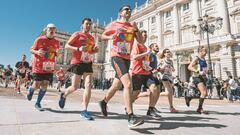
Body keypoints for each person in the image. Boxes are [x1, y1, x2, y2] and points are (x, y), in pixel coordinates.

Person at [98, 5, 144, 128]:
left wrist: (136, 30)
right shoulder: (114, 24)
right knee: (127, 84)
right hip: (116, 57)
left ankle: (103, 102)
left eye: (130, 9)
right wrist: (110, 36)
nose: (129, 10)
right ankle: (131, 116)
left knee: (116, 85)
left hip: (126, 58)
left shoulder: (132, 26)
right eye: (126, 9)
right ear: (120, 13)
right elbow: (102, 36)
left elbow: (141, 41)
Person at [58, 18, 99, 120]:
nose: (88, 26)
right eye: (87, 24)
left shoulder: (92, 38)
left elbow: (89, 52)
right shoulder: (77, 34)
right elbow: (67, 45)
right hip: (77, 62)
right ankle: (64, 95)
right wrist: (78, 48)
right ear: (82, 25)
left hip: (88, 62)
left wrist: (95, 51)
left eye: (90, 24)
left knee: (88, 85)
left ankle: (84, 110)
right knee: (74, 87)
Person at [27, 23, 60, 111]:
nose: (52, 30)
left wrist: (57, 56)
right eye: (50, 29)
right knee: (37, 84)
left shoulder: (57, 42)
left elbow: (56, 53)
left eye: (53, 29)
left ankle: (38, 103)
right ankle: (31, 89)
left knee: (45, 84)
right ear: (46, 30)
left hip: (49, 66)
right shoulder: (39, 39)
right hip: (38, 66)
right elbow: (31, 49)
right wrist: (37, 52)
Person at [131, 31, 161, 119]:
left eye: (146, 36)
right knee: (136, 93)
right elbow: (135, 57)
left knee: (154, 89)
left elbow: (146, 62)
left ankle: (150, 110)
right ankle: (129, 105)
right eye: (144, 36)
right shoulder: (136, 45)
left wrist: (152, 69)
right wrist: (146, 53)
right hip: (137, 72)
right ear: (139, 37)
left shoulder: (145, 47)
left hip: (147, 73)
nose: (145, 37)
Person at [186, 46, 208, 114]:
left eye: (206, 51)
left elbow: (203, 68)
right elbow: (189, 67)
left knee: (205, 93)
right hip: (197, 77)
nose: (206, 53)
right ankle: (199, 108)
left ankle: (189, 98)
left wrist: (206, 71)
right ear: (200, 51)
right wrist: (198, 71)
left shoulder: (204, 59)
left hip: (203, 77)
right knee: (203, 93)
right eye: (204, 51)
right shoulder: (197, 58)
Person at [158, 49, 178, 113]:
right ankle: (171, 107)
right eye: (167, 52)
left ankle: (156, 94)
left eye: (169, 52)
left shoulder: (171, 61)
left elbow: (173, 69)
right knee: (170, 91)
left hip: (170, 77)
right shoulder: (162, 60)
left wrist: (173, 69)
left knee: (168, 93)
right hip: (164, 76)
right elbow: (158, 68)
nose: (168, 53)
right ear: (164, 54)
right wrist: (162, 68)